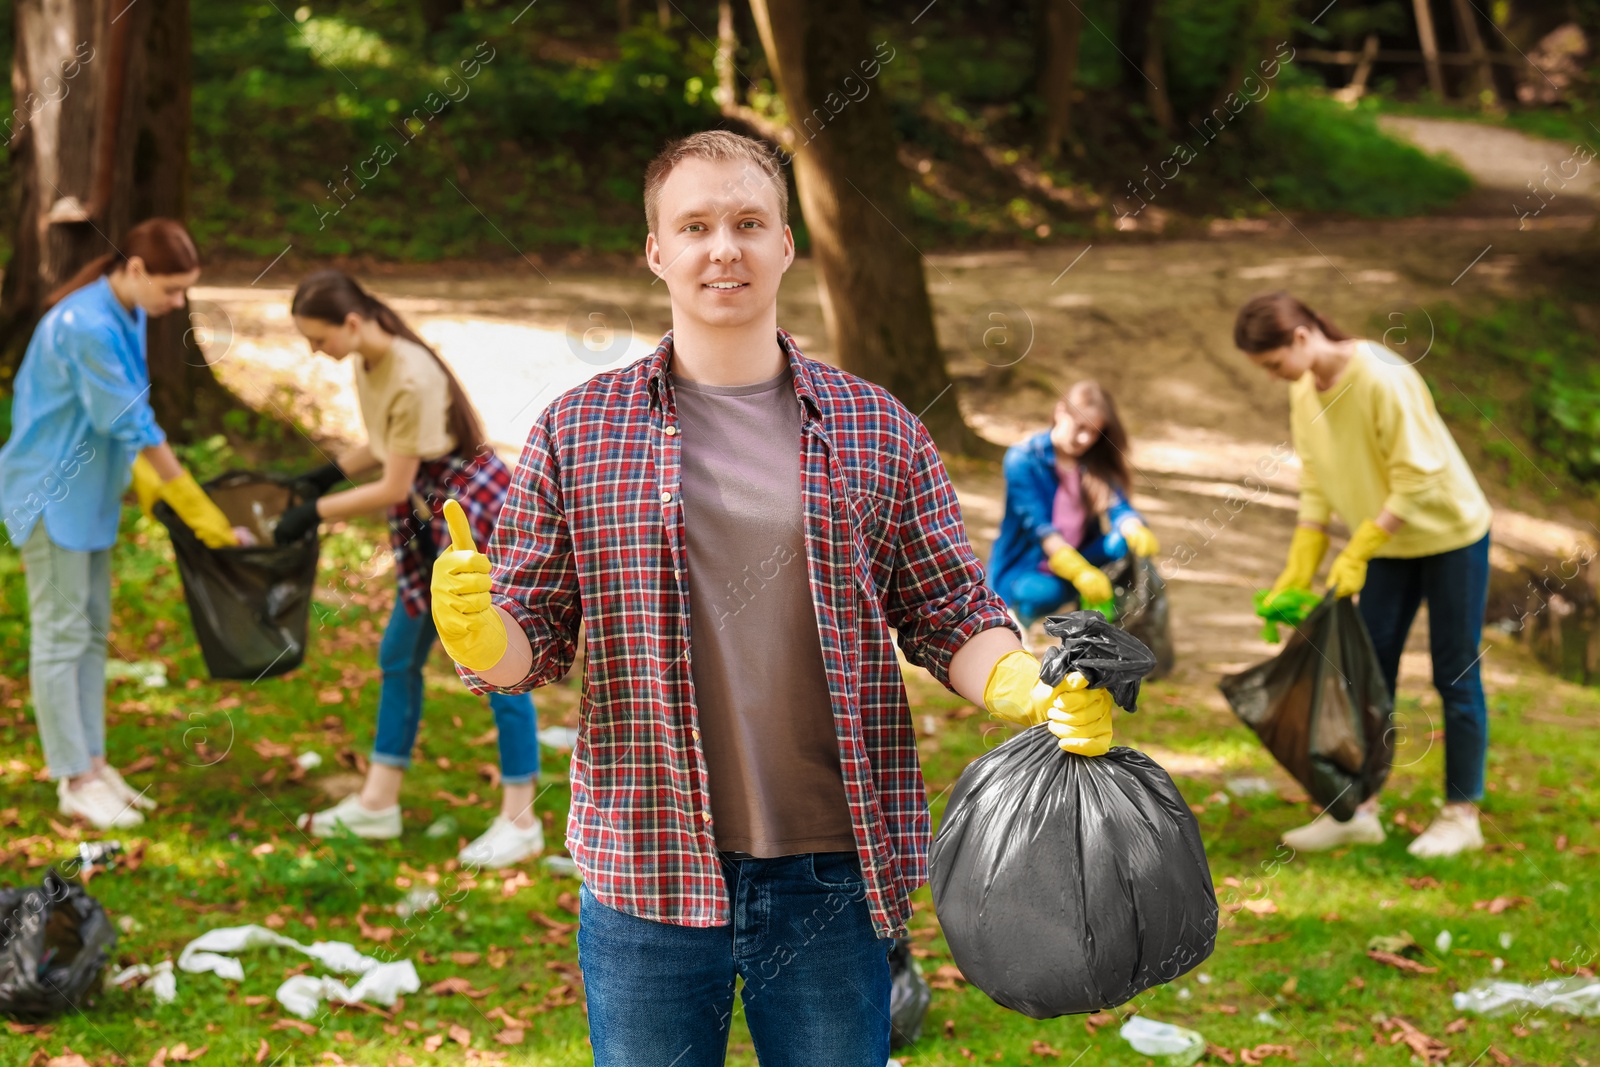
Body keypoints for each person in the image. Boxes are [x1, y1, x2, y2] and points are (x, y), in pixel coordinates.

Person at [426, 130, 1120, 1065]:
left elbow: (950, 611)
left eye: (749, 222)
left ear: (787, 244)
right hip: (646, 862)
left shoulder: (879, 426)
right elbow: (531, 645)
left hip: (834, 868)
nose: (725, 247)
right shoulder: (578, 430)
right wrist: (477, 630)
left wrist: (1026, 686)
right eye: (697, 225)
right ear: (656, 251)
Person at [283, 270, 544, 869]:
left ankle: (521, 818)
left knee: (496, 662)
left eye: (318, 339)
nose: (315, 352)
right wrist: (322, 475)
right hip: (429, 528)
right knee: (399, 656)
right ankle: (379, 802)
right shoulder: (369, 363)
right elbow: (385, 444)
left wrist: (311, 513)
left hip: (469, 522)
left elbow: (395, 482)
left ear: (350, 323)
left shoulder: (412, 372)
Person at [0, 218, 238, 830]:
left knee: (90, 634)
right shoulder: (85, 325)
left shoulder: (125, 313)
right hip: (50, 497)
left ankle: (94, 765)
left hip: (91, 499)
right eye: (171, 289)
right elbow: (132, 423)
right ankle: (73, 778)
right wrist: (195, 506)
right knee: (60, 637)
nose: (177, 302)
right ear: (134, 269)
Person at [1236, 291, 1493, 859]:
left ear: (1301, 338)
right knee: (1365, 674)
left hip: (1450, 536)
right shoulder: (1306, 393)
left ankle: (1461, 815)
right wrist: (1301, 566)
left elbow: (1418, 477)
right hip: (1384, 545)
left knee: (1455, 671)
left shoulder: (1382, 377)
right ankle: (1358, 810)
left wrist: (1360, 547)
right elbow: (1317, 484)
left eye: (1275, 364)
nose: (1277, 378)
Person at [988, 380, 1160, 634]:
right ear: (1060, 412)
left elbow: (1119, 507)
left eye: (1093, 432)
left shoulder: (1094, 464)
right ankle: (1016, 623)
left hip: (1084, 555)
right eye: (1079, 427)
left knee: (1124, 541)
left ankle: (1100, 615)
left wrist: (1133, 526)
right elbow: (1039, 528)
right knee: (1042, 594)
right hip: (1033, 568)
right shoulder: (1022, 459)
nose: (1084, 439)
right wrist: (1079, 573)